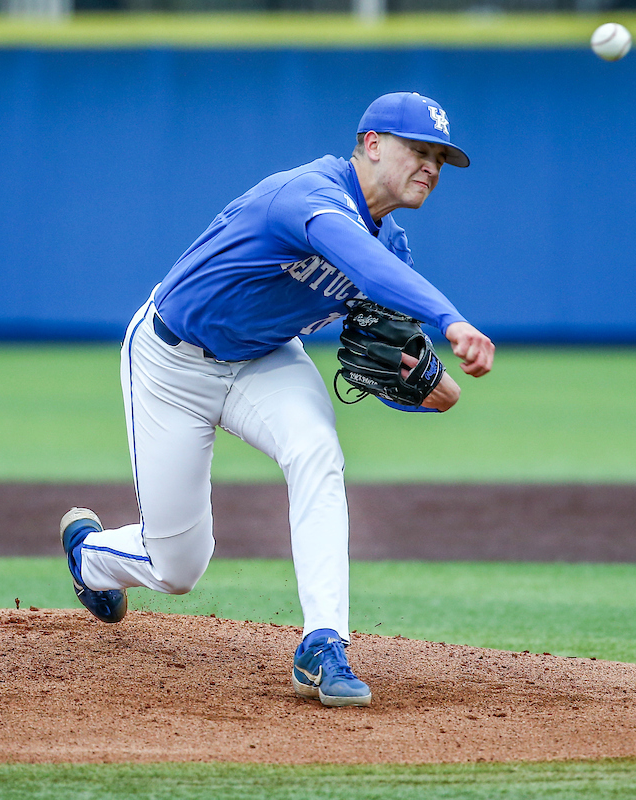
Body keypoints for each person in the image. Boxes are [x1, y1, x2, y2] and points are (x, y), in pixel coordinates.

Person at [59, 91, 494, 708]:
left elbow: (379, 362)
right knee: (177, 568)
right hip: (170, 361)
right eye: (418, 150)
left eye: (440, 159)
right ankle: (90, 558)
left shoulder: (393, 246)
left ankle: (325, 643)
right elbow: (363, 267)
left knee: (318, 451)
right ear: (371, 145)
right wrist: (451, 321)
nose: (431, 165)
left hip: (264, 357)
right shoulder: (308, 194)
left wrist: (430, 390)